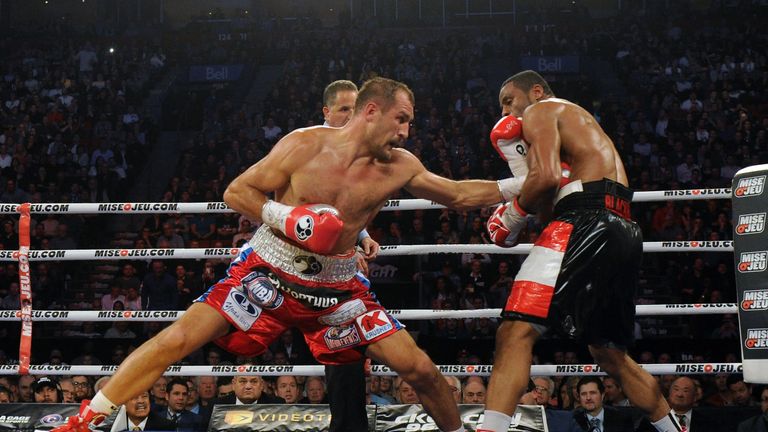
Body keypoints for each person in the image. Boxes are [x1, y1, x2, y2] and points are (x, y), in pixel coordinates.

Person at [56, 77, 523, 432]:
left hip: (340, 287)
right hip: (270, 270)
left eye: (410, 122)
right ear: (371, 111)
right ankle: (85, 420)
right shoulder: (304, 144)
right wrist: (286, 217)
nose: (407, 130)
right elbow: (237, 190)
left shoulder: (400, 166)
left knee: (419, 368)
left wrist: (527, 184)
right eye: (401, 119)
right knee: (176, 341)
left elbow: (459, 194)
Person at [478, 70, 681, 432]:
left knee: (515, 332)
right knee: (610, 353)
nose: (507, 111)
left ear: (536, 91)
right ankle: (673, 429)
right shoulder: (578, 122)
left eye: (509, 100)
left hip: (584, 220)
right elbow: (551, 194)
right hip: (623, 228)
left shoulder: (542, 110)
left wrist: (512, 215)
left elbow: (546, 178)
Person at [320, 79, 379, 432]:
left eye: (355, 110)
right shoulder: (308, 145)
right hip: (289, 262)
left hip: (334, 266)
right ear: (326, 112)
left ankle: (347, 425)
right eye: (343, 109)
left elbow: (345, 207)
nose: (350, 116)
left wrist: (361, 237)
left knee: (346, 345)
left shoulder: (356, 152)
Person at [110, 390, 175, 431]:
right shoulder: (111, 426)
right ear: (124, 403)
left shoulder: (165, 426)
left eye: (144, 396)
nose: (141, 401)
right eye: (135, 397)